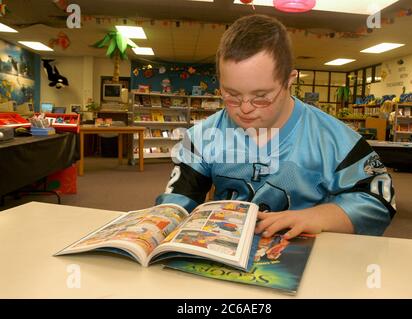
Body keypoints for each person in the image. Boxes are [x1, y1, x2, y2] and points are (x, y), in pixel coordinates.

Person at [156, 14, 396, 238]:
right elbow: (177, 201)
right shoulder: (201, 136)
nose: (245, 108)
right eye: (231, 95)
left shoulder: (336, 139)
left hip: (306, 255)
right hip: (223, 247)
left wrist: (318, 216)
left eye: (261, 96)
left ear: (289, 81)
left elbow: (380, 201)